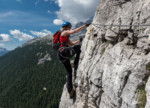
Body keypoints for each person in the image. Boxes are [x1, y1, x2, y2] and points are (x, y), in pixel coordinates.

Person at [58, 21, 90, 98]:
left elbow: (72, 44)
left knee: (69, 72)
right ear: (67, 27)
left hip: (61, 55)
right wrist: (85, 25)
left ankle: (70, 91)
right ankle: (76, 64)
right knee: (78, 48)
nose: (70, 28)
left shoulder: (63, 37)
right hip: (64, 52)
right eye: (70, 27)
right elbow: (75, 31)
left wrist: (80, 40)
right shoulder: (64, 32)